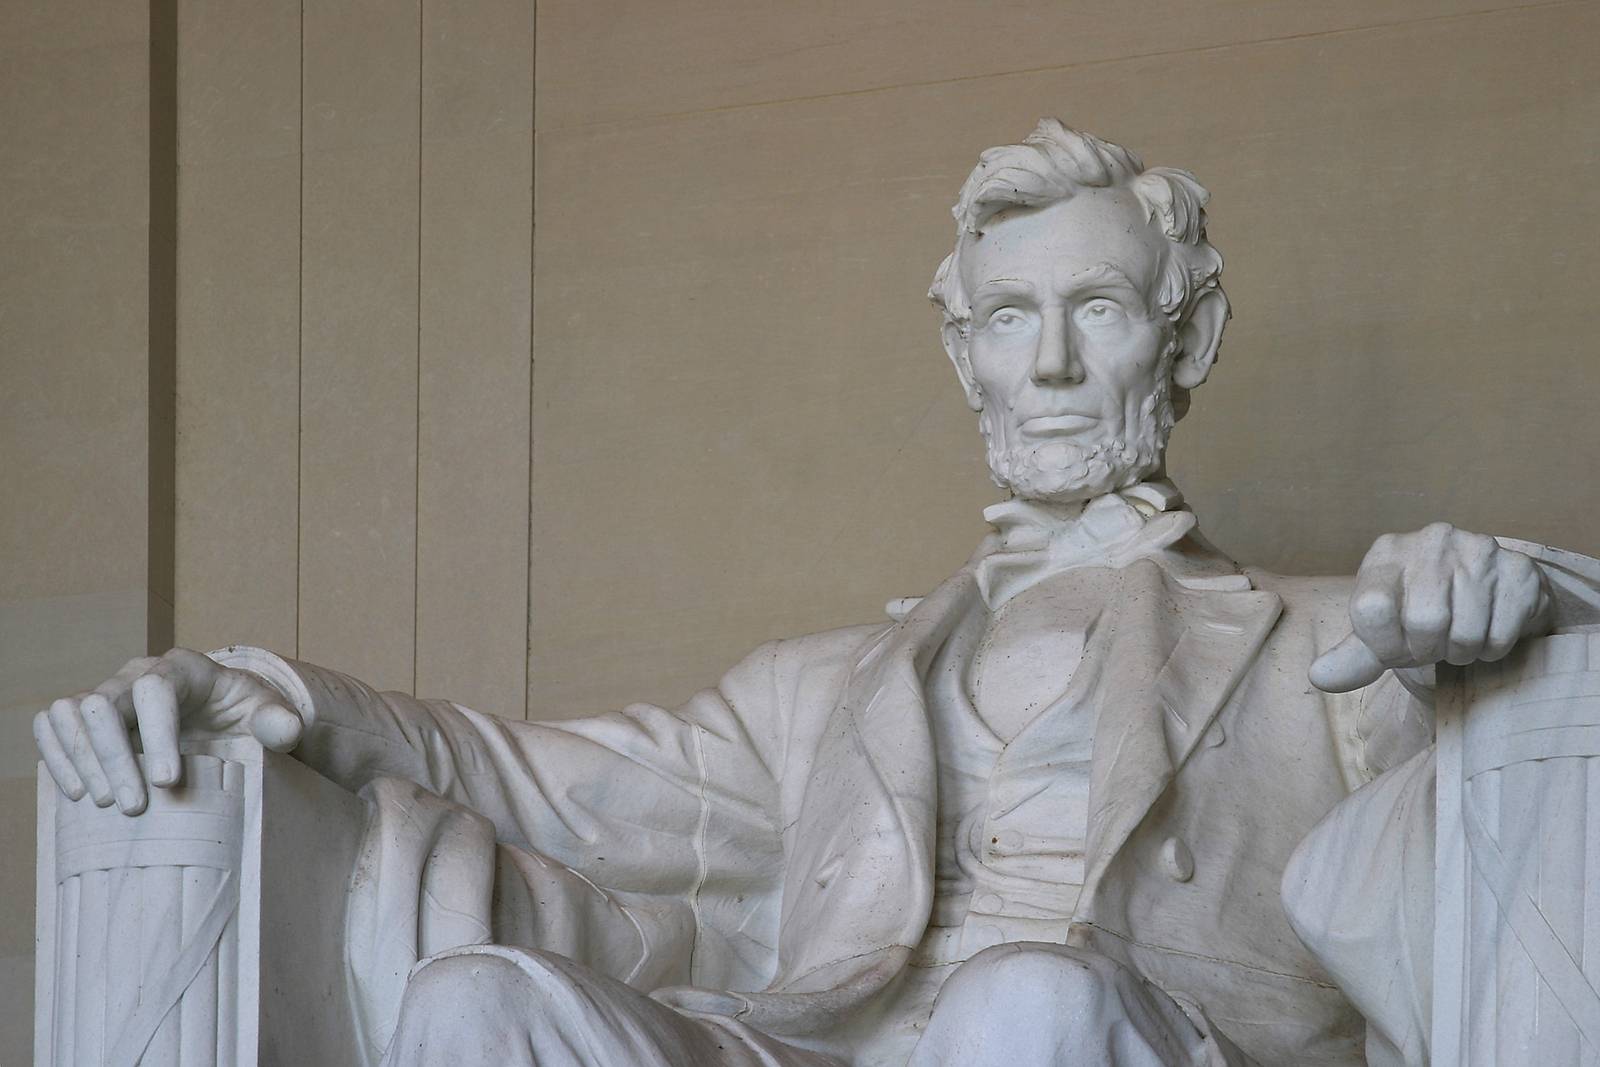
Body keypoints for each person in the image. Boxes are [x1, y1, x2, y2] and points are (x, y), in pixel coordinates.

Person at [34, 119, 1598, 1067]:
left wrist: (1504, 606)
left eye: (1098, 311)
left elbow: (1548, 747)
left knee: (1023, 1010)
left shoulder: (1336, 638)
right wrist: (279, 697)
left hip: (1118, 1041)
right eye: (1009, 319)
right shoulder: (823, 687)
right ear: (961, 351)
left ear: (1181, 340)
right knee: (477, 1008)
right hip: (821, 1044)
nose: (1048, 363)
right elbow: (545, 782)